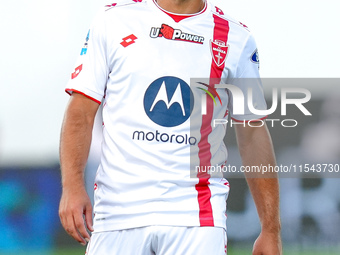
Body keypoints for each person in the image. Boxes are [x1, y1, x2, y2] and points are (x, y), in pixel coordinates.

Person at [59, 0, 282, 254]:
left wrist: (270, 229)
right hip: (117, 213)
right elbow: (81, 112)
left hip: (198, 219)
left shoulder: (237, 38)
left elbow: (252, 132)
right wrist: (72, 187)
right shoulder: (113, 20)